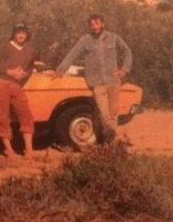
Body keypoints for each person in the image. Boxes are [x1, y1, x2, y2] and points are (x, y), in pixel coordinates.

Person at [54, 14, 132, 142]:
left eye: (97, 23)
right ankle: (116, 137)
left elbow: (127, 52)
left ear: (103, 24)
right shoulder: (85, 40)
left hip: (113, 82)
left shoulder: (113, 38)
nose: (95, 26)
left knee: (113, 114)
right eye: (92, 24)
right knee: (104, 114)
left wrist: (124, 70)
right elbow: (72, 55)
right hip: (97, 83)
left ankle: (110, 143)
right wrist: (60, 70)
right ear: (90, 26)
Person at [0, 23, 39, 158]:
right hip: (0, 82)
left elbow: (30, 68)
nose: (20, 35)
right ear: (14, 34)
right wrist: (8, 71)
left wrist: (23, 75)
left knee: (26, 114)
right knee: (2, 115)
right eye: (18, 32)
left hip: (16, 84)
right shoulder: (4, 46)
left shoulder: (30, 50)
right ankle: (9, 150)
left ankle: (29, 150)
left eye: (23, 32)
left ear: (27, 34)